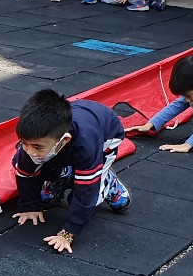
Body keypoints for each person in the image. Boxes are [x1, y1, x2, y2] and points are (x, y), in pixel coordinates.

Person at [11, 90, 131, 255]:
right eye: (24, 143)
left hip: (106, 138)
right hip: (70, 138)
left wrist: (69, 233)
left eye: (37, 147)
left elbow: (85, 193)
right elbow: (25, 174)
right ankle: (63, 175)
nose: (29, 151)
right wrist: (30, 206)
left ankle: (108, 182)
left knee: (85, 190)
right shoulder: (32, 143)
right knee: (35, 168)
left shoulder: (86, 145)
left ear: (65, 140)